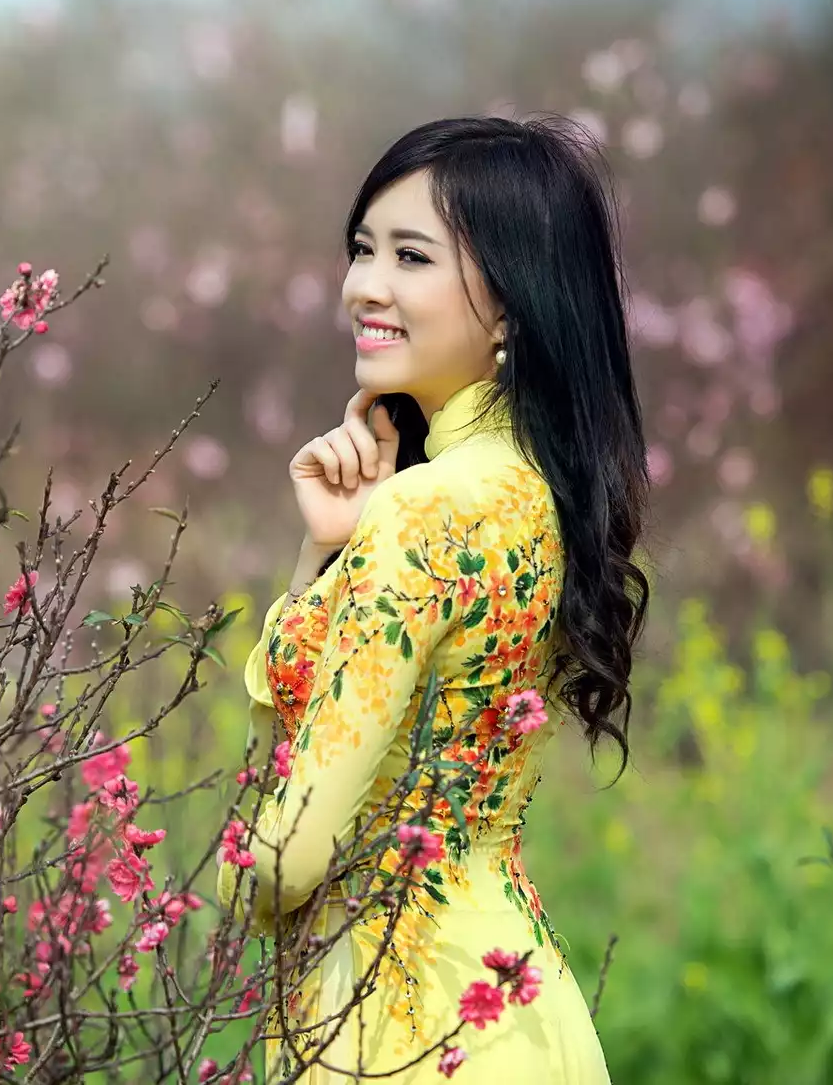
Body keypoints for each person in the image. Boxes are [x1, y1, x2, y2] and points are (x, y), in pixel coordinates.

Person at [215, 114, 652, 1082]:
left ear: (511, 305)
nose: (364, 285)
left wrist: (228, 876)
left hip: (394, 1033)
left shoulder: (420, 514)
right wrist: (322, 557)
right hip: (520, 1015)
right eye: (362, 248)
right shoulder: (539, 493)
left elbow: (285, 858)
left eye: (411, 256)